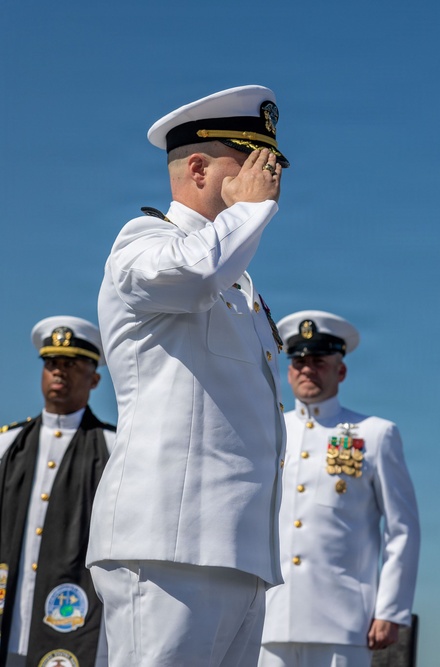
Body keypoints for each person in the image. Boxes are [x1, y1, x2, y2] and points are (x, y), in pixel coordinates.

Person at [86, 85, 288, 667]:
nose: (269, 175)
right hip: (168, 545)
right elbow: (195, 274)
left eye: (272, 162)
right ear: (197, 168)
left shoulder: (241, 285)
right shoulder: (144, 243)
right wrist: (250, 212)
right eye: (251, 160)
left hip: (239, 552)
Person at [259, 311, 420, 667]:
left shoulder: (375, 433)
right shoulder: (268, 433)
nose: (307, 369)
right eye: (299, 361)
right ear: (289, 371)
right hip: (268, 618)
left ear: (341, 371)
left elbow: (402, 529)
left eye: (318, 361)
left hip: (343, 624)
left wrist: (391, 610)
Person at [0, 316, 115, 667]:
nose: (59, 373)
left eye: (71, 365)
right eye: (51, 364)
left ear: (94, 379)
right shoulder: (7, 443)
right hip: (10, 607)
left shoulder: (113, 447)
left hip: (75, 614)